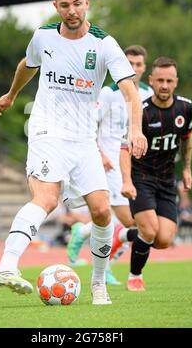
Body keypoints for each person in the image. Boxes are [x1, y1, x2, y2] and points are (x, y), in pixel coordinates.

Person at [0, 0, 147, 305]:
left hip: (83, 140)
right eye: (64, 5)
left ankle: (98, 283)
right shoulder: (43, 36)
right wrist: (12, 94)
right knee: (46, 198)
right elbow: (27, 65)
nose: (71, 11)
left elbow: (129, 89)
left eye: (77, 3)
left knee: (102, 212)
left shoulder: (104, 44)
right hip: (47, 131)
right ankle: (6, 266)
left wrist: (136, 129)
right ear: (55, 6)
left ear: (87, 3)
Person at [66, 45, 153, 284]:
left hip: (140, 168)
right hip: (112, 166)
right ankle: (106, 266)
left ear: (144, 68)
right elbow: (88, 126)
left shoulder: (147, 94)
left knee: (141, 226)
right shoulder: (107, 93)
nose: (134, 69)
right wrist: (100, 153)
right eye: (130, 64)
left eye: (138, 64)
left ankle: (83, 232)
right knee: (133, 223)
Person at [120, 56, 192, 291]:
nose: (164, 85)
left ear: (176, 82)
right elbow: (124, 148)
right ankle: (134, 276)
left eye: (169, 81)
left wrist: (187, 169)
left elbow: (187, 139)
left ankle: (123, 235)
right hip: (141, 178)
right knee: (150, 231)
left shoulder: (185, 107)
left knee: (163, 240)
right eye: (160, 80)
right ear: (150, 81)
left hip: (166, 180)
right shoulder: (141, 111)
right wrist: (126, 181)